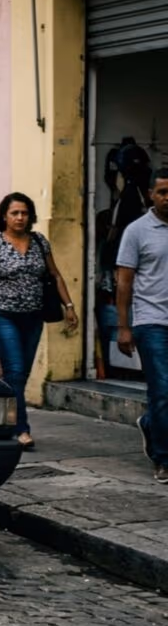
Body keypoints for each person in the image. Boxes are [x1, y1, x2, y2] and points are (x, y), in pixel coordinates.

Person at [0, 193, 77, 450]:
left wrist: (69, 306)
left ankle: (1, 414)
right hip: (1, 315)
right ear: (4, 216)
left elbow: (55, 275)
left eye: (24, 213)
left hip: (33, 317)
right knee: (16, 370)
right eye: (15, 213)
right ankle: (21, 429)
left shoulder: (39, 242)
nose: (20, 218)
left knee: (19, 373)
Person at [117, 170, 168, 484]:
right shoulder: (136, 231)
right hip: (151, 322)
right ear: (151, 194)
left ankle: (150, 423)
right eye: (162, 192)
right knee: (162, 390)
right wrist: (124, 327)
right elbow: (124, 282)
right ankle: (163, 458)